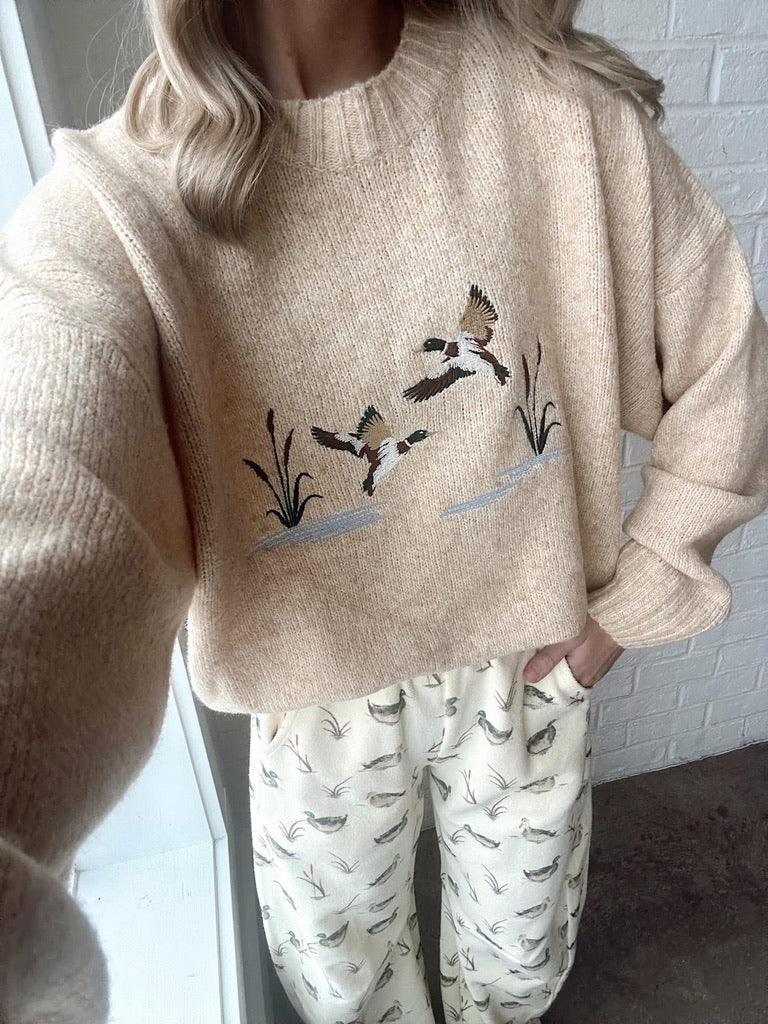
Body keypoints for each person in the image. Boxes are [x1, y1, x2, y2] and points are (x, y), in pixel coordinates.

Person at [1, 0, 767, 1021]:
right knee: (345, 988)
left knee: (517, 966)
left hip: (523, 672)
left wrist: (636, 600)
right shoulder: (118, 211)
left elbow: (729, 363)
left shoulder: (561, 112)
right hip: (314, 709)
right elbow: (41, 517)